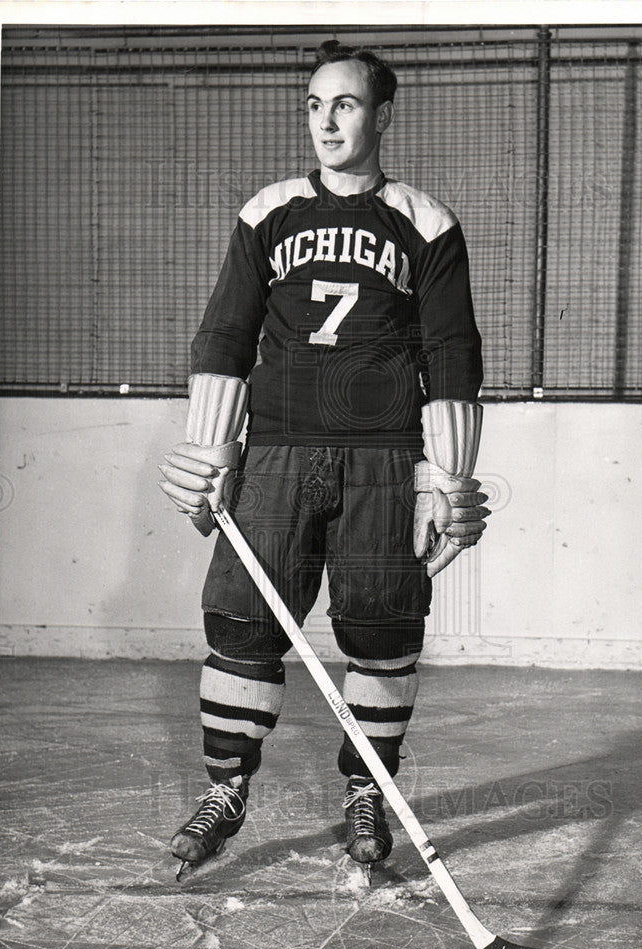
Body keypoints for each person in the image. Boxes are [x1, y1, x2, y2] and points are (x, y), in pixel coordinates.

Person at [158, 39, 489, 875]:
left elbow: (451, 354)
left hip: (382, 462)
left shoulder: (425, 221)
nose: (326, 120)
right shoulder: (269, 211)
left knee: (382, 633)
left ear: (381, 113)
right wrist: (208, 449)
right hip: (272, 453)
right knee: (241, 625)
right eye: (314, 104)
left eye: (344, 103)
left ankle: (366, 789)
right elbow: (226, 336)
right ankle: (226, 790)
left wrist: (444, 479)